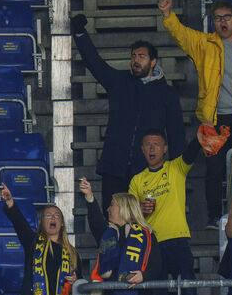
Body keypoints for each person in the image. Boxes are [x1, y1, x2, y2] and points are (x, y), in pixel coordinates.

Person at [160, 0, 232, 220]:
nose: (223, 22)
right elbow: (182, 34)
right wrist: (168, 15)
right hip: (214, 119)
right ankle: (213, 217)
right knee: (214, 168)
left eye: (227, 17)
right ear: (213, 22)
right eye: (218, 18)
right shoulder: (204, 44)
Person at [72, 14, 184, 201]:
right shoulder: (119, 82)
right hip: (114, 166)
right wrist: (80, 33)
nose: (136, 60)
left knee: (144, 218)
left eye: (142, 56)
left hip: (148, 170)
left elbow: (176, 135)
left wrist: (176, 173)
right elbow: (95, 63)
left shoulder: (167, 93)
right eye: (133, 56)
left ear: (153, 62)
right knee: (112, 216)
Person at [126, 128, 214, 295]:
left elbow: (191, 153)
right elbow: (127, 216)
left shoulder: (175, 168)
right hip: (152, 246)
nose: (152, 148)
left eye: (157, 144)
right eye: (148, 144)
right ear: (142, 150)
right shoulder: (137, 180)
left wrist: (198, 139)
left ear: (165, 149)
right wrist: (139, 211)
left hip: (178, 241)